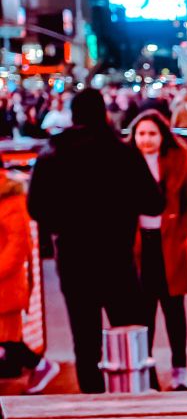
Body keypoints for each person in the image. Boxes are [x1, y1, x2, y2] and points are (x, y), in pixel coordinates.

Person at [27, 89, 164, 393]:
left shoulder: (53, 152)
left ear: (73, 115)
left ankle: (93, 406)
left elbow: (36, 207)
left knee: (85, 342)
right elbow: (154, 203)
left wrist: (62, 225)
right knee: (130, 332)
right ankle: (140, 397)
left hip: (74, 259)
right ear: (103, 113)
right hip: (117, 258)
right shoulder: (122, 152)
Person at [129, 111, 187, 391]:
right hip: (139, 246)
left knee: (174, 311)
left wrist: (181, 233)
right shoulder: (127, 161)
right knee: (143, 313)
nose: (146, 140)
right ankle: (146, 372)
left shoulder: (178, 157)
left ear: (162, 136)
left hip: (171, 243)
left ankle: (180, 369)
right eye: (141, 134)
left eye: (152, 134)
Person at [0, 169, 60, 394]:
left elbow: (18, 245)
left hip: (5, 285)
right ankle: (41, 366)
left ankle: (41, 365)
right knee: (7, 339)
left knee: (8, 338)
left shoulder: (11, 199)